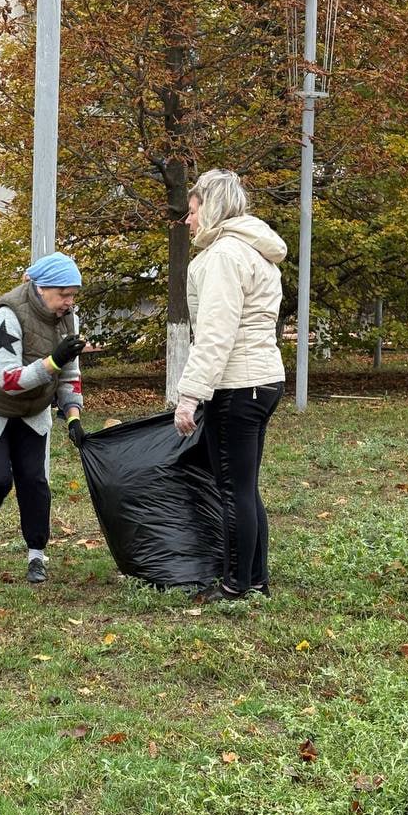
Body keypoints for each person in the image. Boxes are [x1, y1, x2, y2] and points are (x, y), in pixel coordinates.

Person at [173, 168, 287, 602]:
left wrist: (189, 395)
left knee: (231, 488)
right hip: (264, 379)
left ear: (212, 207)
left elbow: (216, 334)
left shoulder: (223, 256)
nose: (189, 219)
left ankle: (236, 584)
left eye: (194, 209)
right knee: (245, 485)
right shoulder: (255, 252)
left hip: (238, 383)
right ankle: (255, 579)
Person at [0, 252, 86, 585]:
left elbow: (70, 374)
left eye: (72, 295)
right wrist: (53, 361)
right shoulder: (7, 315)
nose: (68, 302)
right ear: (41, 288)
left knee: (34, 482)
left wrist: (73, 417)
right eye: (62, 294)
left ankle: (36, 556)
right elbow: (9, 381)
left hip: (31, 412)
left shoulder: (69, 318)